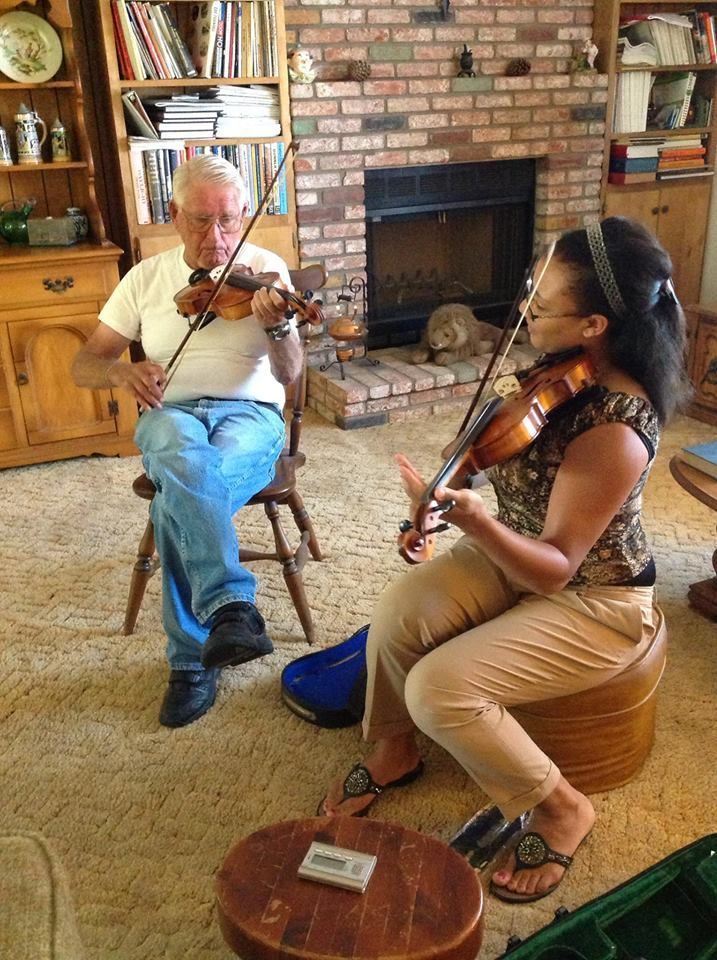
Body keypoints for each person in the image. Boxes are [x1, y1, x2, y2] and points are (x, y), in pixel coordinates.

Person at [319, 217, 691, 904]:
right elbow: (487, 462)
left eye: (540, 306)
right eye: (529, 291)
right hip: (513, 552)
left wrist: (475, 521)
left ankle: (562, 809)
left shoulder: (615, 427)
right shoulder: (553, 378)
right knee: (399, 612)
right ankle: (394, 748)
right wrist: (438, 501)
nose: (523, 311)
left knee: (439, 689)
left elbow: (555, 567)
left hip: (594, 598)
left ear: (593, 326)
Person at [72, 155, 301, 728]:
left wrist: (277, 326)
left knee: (178, 495)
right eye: (200, 220)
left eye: (228, 220)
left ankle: (189, 663)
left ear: (244, 214)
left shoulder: (267, 271)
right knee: (182, 459)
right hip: (169, 413)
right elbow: (84, 363)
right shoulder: (146, 278)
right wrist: (121, 372)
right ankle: (231, 607)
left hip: (251, 416)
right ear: (173, 214)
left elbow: (290, 372)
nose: (217, 238)